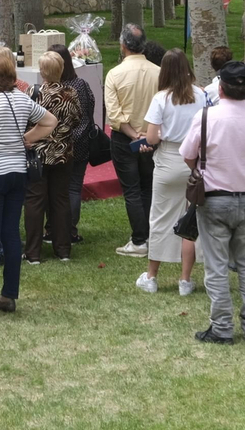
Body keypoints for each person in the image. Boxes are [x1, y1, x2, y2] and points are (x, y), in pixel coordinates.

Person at [182, 61, 245, 344]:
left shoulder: (206, 117)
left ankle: (221, 327)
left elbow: (188, 154)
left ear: (220, 89)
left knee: (217, 267)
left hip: (214, 198)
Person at [0, 48, 56, 315]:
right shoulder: (21, 99)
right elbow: (50, 121)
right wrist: (26, 138)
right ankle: (8, 295)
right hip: (18, 172)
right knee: (10, 234)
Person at [136, 49, 211, 295]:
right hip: (195, 162)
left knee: (160, 218)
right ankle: (185, 280)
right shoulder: (201, 95)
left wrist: (147, 141)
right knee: (190, 220)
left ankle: (151, 276)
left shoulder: (161, 98)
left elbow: (152, 136)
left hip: (169, 160)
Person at [104, 24, 161, 259]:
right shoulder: (159, 72)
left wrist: (132, 133)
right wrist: (144, 135)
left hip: (125, 138)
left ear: (123, 45)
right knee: (147, 187)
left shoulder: (115, 74)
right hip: (152, 136)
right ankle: (148, 236)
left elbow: (114, 114)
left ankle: (140, 240)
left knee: (132, 190)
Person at [25, 52, 80, 266]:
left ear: (42, 71)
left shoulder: (34, 92)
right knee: (61, 200)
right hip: (63, 153)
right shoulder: (71, 93)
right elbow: (76, 119)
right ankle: (63, 249)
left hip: (37, 154)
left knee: (34, 201)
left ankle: (33, 253)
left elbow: (27, 120)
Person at [46, 45, 96, 246]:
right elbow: (90, 109)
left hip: (56, 145)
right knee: (74, 188)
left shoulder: (49, 89)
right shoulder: (81, 85)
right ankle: (70, 231)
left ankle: (52, 230)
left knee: (55, 189)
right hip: (81, 142)